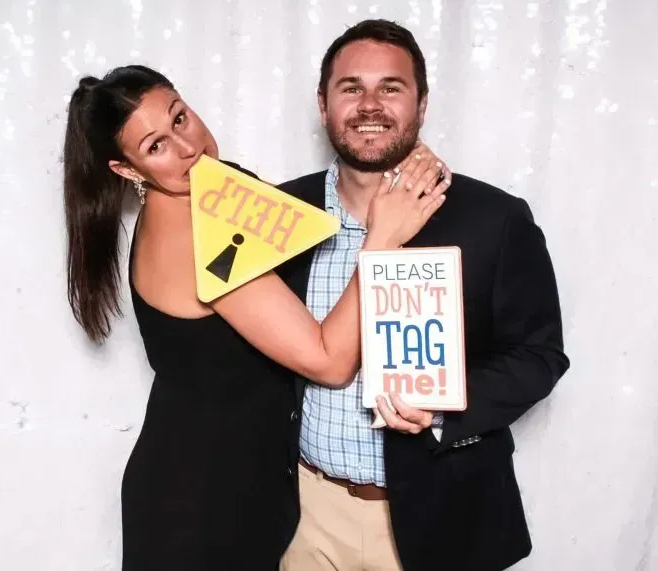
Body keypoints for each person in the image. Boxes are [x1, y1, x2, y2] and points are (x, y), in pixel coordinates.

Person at [61, 64, 450, 570]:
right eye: (155, 146)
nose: (187, 147)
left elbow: (309, 227)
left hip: (239, 486)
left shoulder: (215, 188)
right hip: (200, 506)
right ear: (127, 170)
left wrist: (404, 166)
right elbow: (330, 362)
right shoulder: (196, 234)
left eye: (179, 118)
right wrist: (381, 240)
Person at [276, 20, 571, 571]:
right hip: (305, 517)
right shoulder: (282, 213)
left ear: (422, 104)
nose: (370, 105)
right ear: (322, 104)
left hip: (440, 518)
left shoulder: (494, 218)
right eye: (350, 88)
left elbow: (539, 357)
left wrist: (442, 405)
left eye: (390, 88)